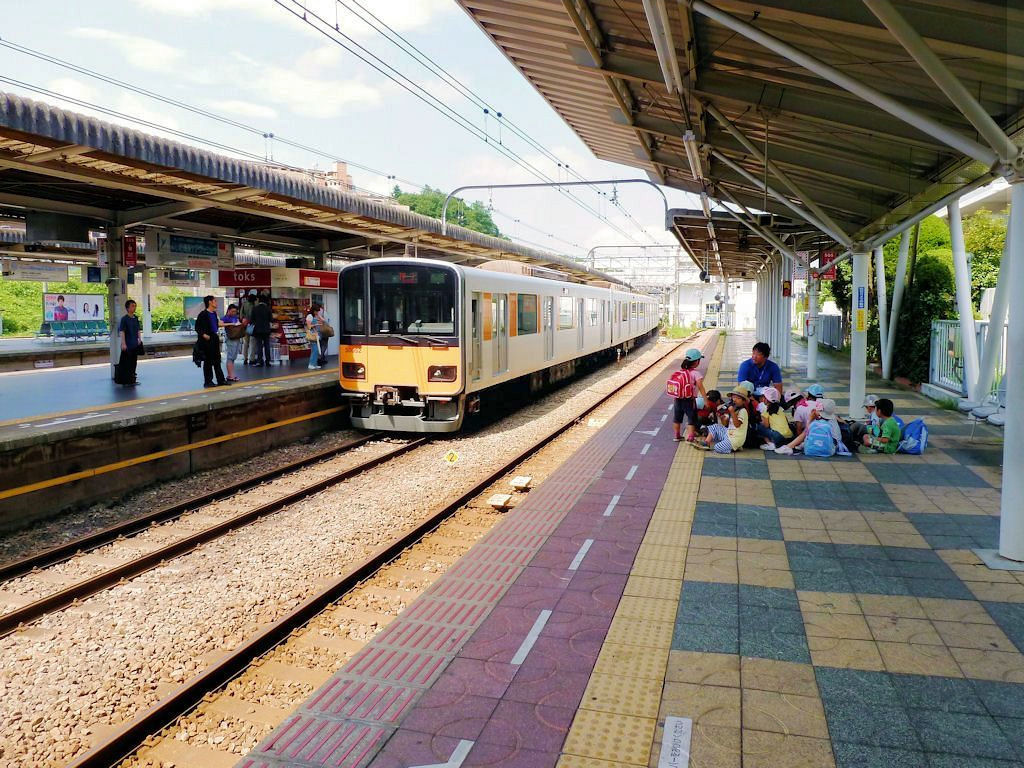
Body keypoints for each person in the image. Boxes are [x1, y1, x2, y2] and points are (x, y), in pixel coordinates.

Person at [776, 398, 842, 455]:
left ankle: (788, 447)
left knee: (806, 431)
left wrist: (810, 418)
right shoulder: (831, 420)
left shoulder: (818, 422)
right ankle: (791, 446)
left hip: (829, 447)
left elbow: (806, 432)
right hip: (832, 447)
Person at [669, 348, 708, 442]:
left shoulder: (680, 372)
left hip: (678, 399)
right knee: (691, 418)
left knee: (677, 418)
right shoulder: (696, 373)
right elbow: (701, 388)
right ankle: (691, 437)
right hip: (689, 400)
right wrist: (705, 400)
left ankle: (677, 436)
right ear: (696, 362)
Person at [697, 386, 749, 454]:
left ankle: (734, 448)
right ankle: (706, 443)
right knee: (715, 426)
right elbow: (725, 424)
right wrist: (721, 417)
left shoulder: (743, 411)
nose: (735, 400)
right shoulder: (734, 408)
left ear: (743, 401)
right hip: (728, 434)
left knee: (717, 447)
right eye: (733, 397)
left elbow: (737, 425)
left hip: (735, 439)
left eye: (738, 398)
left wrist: (732, 412)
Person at [195, 295, 228, 388]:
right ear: (210, 302)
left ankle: (221, 380)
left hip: (214, 337)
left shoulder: (214, 314)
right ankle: (208, 381)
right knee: (208, 361)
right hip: (207, 339)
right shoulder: (203, 314)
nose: (216, 303)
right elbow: (197, 327)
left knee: (217, 359)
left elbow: (217, 324)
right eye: (215, 301)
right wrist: (204, 335)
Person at [116, 299, 142, 387]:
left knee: (134, 362)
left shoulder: (136, 318)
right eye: (132, 306)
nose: (134, 308)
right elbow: (122, 331)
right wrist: (123, 343)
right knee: (126, 363)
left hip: (135, 344)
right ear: (127, 308)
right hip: (127, 344)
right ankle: (125, 380)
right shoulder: (124, 319)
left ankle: (132, 379)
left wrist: (139, 339)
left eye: (135, 306)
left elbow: (138, 329)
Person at [221, 303, 244, 382]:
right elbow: (220, 323)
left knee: (233, 357)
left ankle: (231, 374)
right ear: (228, 310)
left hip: (236, 338)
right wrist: (231, 324)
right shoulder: (225, 318)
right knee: (230, 357)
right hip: (231, 339)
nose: (234, 313)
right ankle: (231, 376)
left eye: (235, 311)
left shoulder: (235, 317)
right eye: (233, 311)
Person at [250, 295, 272, 366]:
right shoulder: (268, 308)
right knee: (267, 345)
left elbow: (252, 320)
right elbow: (271, 319)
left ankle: (260, 361)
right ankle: (268, 361)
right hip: (266, 330)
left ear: (259, 301)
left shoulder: (255, 308)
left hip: (258, 330)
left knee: (259, 346)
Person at [239, 291, 256, 364]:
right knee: (252, 342)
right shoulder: (254, 305)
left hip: (245, 325)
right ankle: (251, 359)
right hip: (252, 325)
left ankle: (245, 358)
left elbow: (240, 315)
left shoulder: (244, 304)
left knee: (245, 343)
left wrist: (244, 320)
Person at [305, 302, 322, 370]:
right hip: (312, 335)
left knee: (316, 350)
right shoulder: (309, 316)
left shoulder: (314, 316)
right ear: (313, 310)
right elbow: (309, 326)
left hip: (315, 334)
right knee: (315, 350)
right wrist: (316, 325)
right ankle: (311, 364)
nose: (317, 312)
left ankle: (314, 364)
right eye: (316, 311)